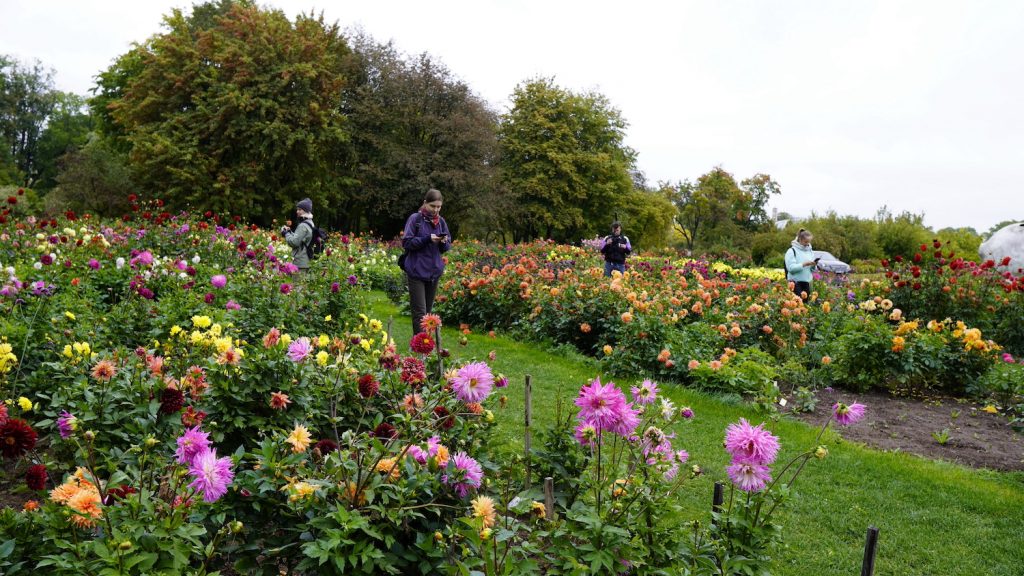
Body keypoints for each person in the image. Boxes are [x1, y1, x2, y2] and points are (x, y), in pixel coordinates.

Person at [403, 189, 451, 334]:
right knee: (420, 314)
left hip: (433, 273)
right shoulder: (415, 219)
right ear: (425, 203)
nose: (436, 210)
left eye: (438, 207)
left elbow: (446, 247)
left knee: (428, 316)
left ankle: (425, 349)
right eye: (432, 206)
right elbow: (407, 243)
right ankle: (420, 351)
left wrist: (443, 241)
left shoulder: (441, 222)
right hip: (416, 272)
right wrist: (427, 239)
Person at [281, 198, 315, 272]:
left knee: (297, 284)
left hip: (300, 262)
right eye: (297, 209)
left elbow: (294, 242)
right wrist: (290, 232)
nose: (297, 211)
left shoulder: (303, 225)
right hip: (306, 261)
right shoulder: (310, 223)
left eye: (300, 209)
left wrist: (286, 234)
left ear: (306, 210)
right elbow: (302, 239)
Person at [785, 228, 817, 299]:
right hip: (795, 283)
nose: (808, 244)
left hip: (806, 283)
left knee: (805, 307)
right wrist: (804, 264)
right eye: (806, 242)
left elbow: (812, 270)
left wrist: (813, 265)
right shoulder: (791, 251)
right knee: (796, 306)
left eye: (809, 241)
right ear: (800, 239)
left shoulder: (810, 251)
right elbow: (791, 269)